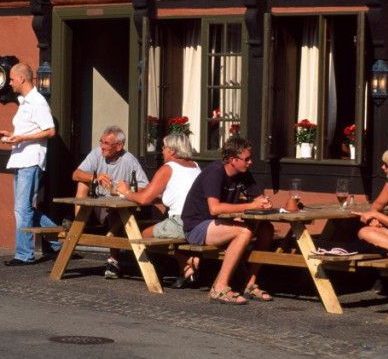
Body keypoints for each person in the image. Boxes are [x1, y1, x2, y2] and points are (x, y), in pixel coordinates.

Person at [181, 135, 274, 305]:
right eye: (247, 159)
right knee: (243, 231)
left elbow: (259, 199)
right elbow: (214, 208)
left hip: (220, 224)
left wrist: (264, 203)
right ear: (232, 159)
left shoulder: (243, 173)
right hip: (198, 226)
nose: (250, 162)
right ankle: (219, 287)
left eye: (250, 158)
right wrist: (251, 205)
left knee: (266, 229)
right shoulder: (215, 172)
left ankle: (249, 283)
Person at [0, 63, 61, 266]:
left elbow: (50, 130)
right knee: (24, 209)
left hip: (31, 161)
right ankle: (60, 241)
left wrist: (22, 138)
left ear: (22, 79)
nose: (10, 83)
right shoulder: (24, 102)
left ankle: (24, 254)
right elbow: (29, 131)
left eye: (12, 79)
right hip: (20, 159)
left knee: (22, 209)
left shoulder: (38, 102)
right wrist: (12, 135)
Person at [115, 132, 201, 288]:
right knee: (162, 230)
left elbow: (144, 199)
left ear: (172, 150)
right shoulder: (195, 166)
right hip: (199, 222)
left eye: (164, 147)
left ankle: (184, 261)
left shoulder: (168, 168)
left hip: (181, 222)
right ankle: (186, 269)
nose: (162, 151)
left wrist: (126, 192)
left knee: (142, 235)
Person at [71, 125, 148, 278]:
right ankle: (78, 225)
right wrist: (95, 177)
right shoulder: (96, 154)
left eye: (106, 143)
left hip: (117, 206)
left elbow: (146, 186)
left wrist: (126, 189)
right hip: (96, 204)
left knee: (114, 211)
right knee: (82, 183)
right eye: (101, 142)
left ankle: (113, 261)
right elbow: (76, 174)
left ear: (119, 146)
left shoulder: (129, 160)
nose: (102, 146)